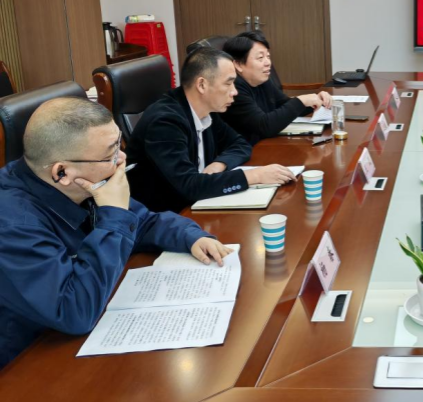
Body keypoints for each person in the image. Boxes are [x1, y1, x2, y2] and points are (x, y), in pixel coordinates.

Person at [0, 98, 233, 368]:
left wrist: (191, 236)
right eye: (109, 155)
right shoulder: (13, 223)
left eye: (119, 145)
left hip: (81, 335)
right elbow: (74, 311)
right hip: (29, 361)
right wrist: (113, 214)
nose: (121, 159)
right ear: (62, 172)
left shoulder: (81, 183)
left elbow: (142, 222)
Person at [126, 46, 296, 213]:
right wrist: (255, 176)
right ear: (202, 85)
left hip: (197, 204)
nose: (234, 92)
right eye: (228, 83)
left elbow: (240, 144)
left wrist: (219, 164)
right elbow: (189, 186)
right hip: (165, 215)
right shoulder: (165, 122)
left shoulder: (207, 111)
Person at [221, 31, 333, 144]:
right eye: (260, 57)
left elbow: (283, 104)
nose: (268, 63)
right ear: (238, 64)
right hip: (248, 149)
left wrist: (315, 101)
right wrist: (301, 101)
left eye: (268, 56)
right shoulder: (234, 89)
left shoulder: (261, 80)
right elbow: (264, 126)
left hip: (265, 144)